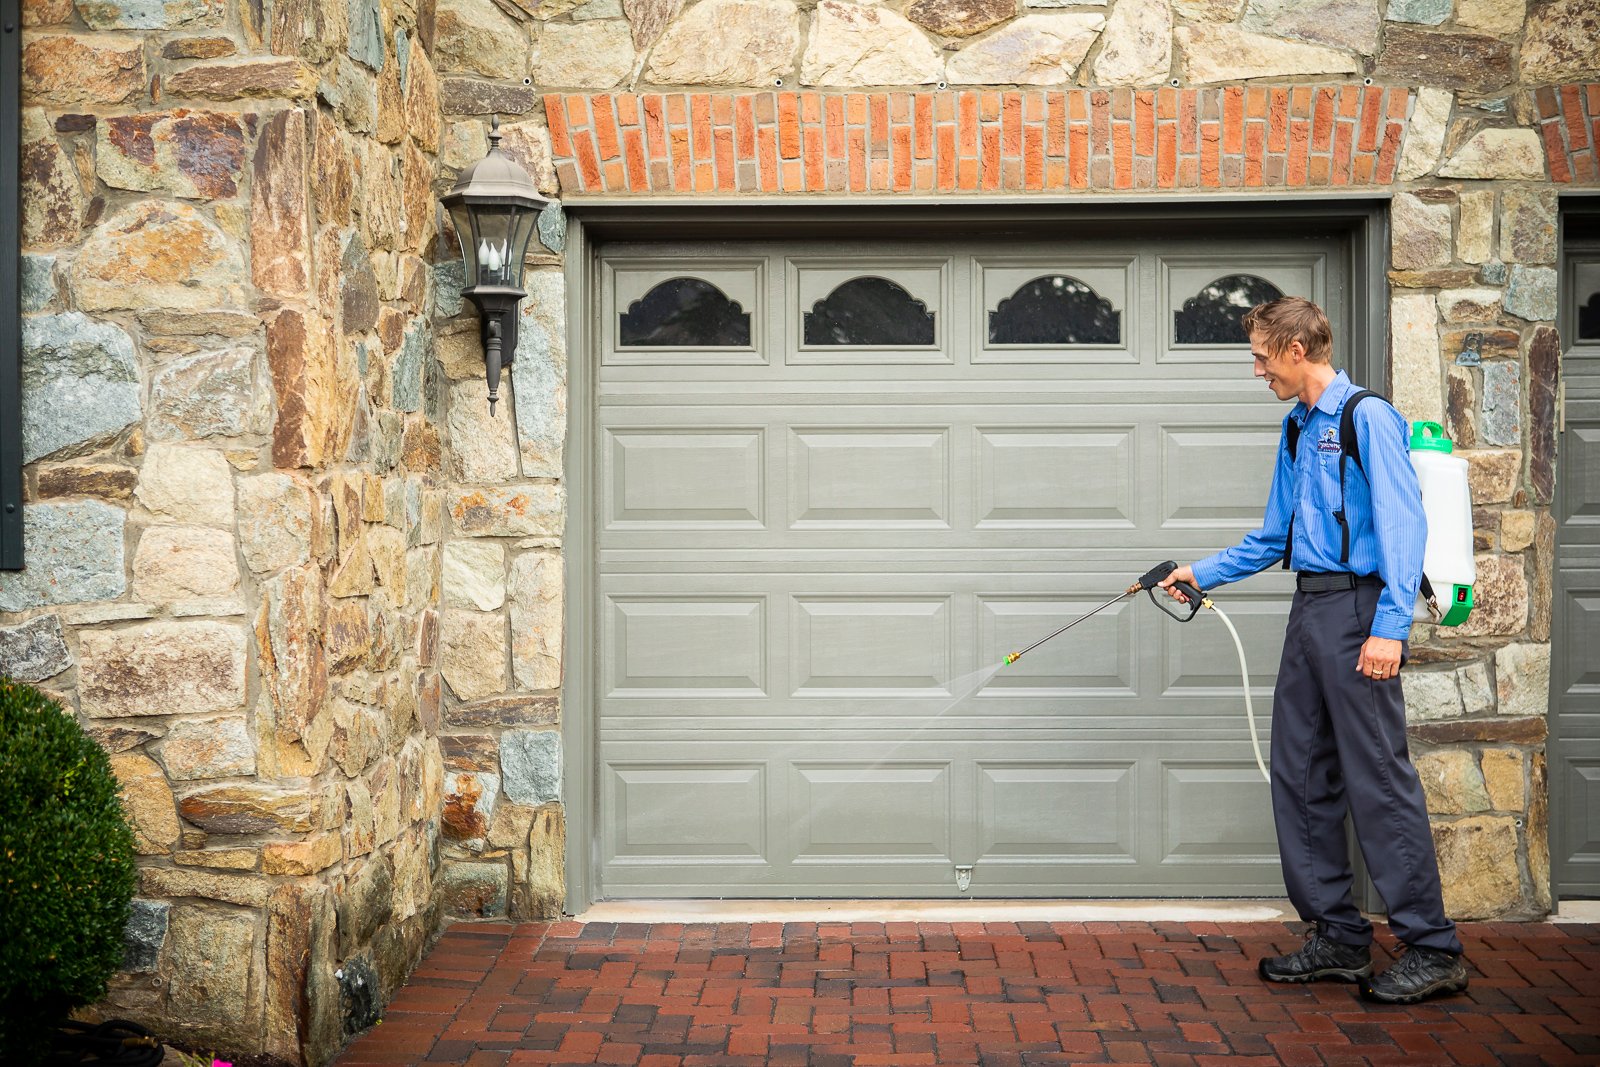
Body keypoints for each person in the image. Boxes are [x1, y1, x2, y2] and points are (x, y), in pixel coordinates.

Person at [1158, 296, 1468, 1005]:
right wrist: (1198, 573)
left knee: (1378, 781)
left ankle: (1433, 945)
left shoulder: (1367, 419)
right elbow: (1274, 535)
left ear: (1298, 351)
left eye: (1263, 358)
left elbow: (1402, 527)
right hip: (1311, 609)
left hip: (1361, 611)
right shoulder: (1297, 429)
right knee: (1299, 772)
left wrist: (1391, 626)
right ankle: (1338, 933)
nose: (1258, 370)